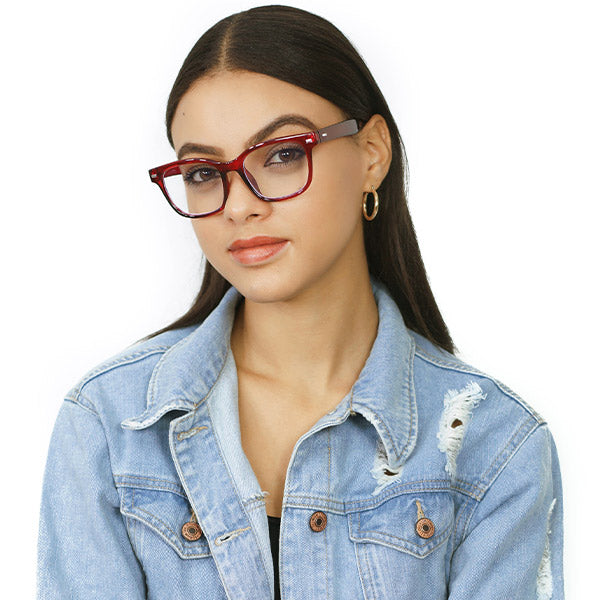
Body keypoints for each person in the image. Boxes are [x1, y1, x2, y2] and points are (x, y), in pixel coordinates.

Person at [37, 5, 564, 599]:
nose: (240, 205)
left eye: (283, 154)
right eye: (204, 172)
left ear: (372, 153)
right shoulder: (110, 423)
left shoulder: (496, 446)